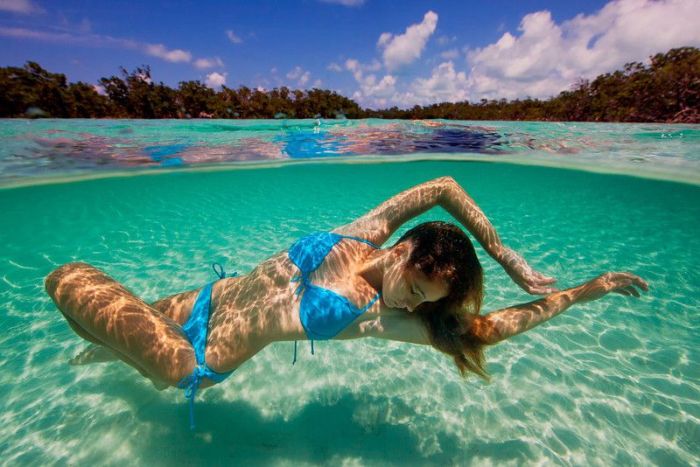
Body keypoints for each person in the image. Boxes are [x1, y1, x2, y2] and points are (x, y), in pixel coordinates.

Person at [45, 176, 648, 427]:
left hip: (195, 357)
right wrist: (507, 256)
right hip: (208, 298)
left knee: (64, 278)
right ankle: (106, 354)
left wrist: (583, 293)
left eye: (421, 303)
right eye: (414, 288)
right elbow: (443, 187)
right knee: (91, 331)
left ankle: (126, 358)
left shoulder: (379, 319)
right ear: (403, 249)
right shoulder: (368, 231)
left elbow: (488, 330)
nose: (410, 306)